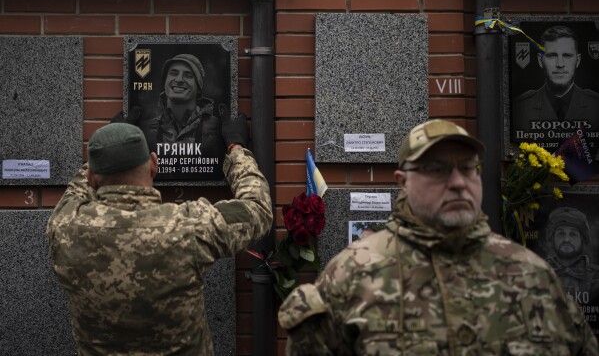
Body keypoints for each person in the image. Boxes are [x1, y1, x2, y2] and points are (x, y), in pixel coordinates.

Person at [278, 119, 598, 355]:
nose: (459, 182)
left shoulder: (533, 274)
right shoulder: (351, 275)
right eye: (438, 169)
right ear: (403, 182)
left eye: (468, 168)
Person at [47, 115, 272, 355]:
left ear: (92, 176)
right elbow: (258, 209)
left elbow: (77, 190)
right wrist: (236, 149)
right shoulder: (189, 227)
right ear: (154, 164)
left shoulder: (64, 227)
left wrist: (110, 144)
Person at [512, 25, 599, 134]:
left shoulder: (595, 105)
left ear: (577, 60)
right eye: (552, 55)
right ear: (540, 60)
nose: (560, 64)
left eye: (567, 55)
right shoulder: (520, 108)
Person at [136, 53, 226, 158]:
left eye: (188, 75)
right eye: (173, 73)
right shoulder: (143, 130)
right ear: (164, 83)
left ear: (199, 87)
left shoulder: (219, 129)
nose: (179, 79)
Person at [545, 206, 599, 301]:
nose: (566, 239)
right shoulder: (539, 272)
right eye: (561, 234)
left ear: (582, 239)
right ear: (552, 238)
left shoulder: (596, 278)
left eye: (573, 234)